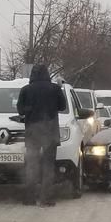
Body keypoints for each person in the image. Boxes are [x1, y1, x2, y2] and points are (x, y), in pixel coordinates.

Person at [16, 64, 67, 207]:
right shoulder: (55, 89)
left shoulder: (26, 90)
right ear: (47, 74)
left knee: (32, 165)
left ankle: (29, 198)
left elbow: (20, 110)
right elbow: (62, 107)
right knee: (48, 166)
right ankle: (46, 198)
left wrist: (31, 109)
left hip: (32, 132)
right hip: (50, 132)